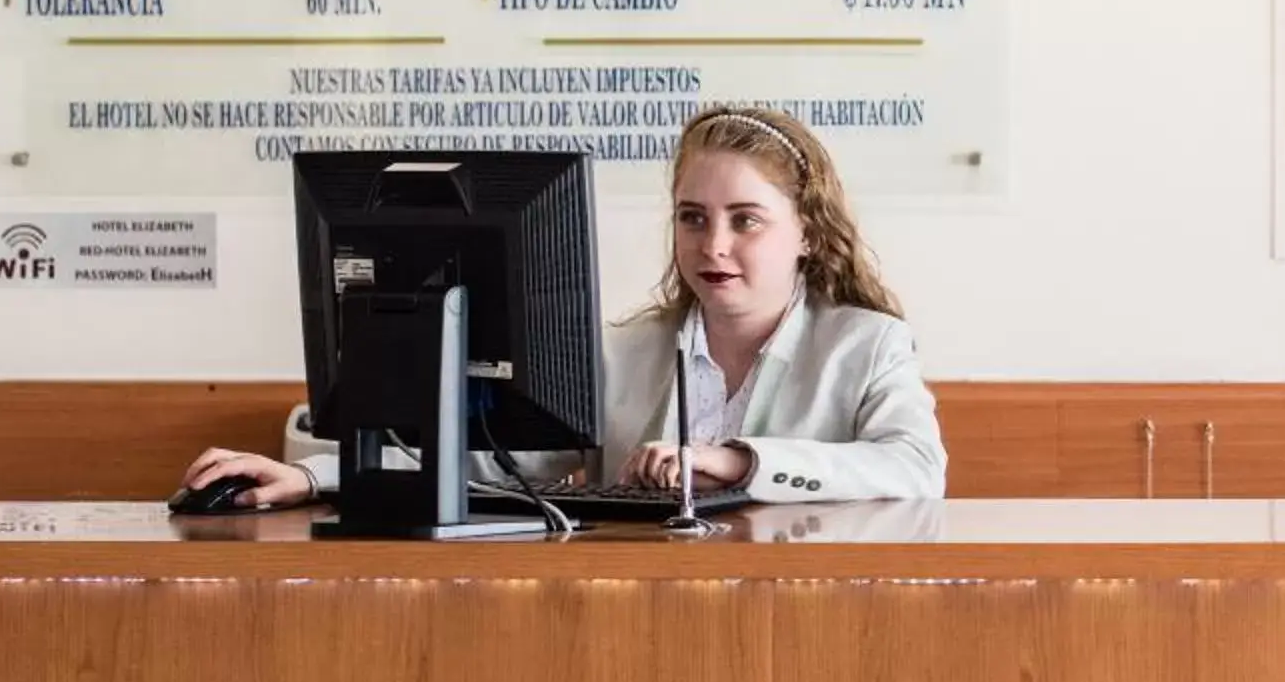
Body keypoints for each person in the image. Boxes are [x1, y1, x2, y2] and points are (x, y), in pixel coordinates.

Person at [176, 105, 947, 509]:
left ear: (805, 233)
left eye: (746, 220)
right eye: (692, 217)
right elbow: (483, 464)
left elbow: (916, 468)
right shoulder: (620, 353)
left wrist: (737, 460)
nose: (714, 245)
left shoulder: (866, 345)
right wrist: (316, 475)